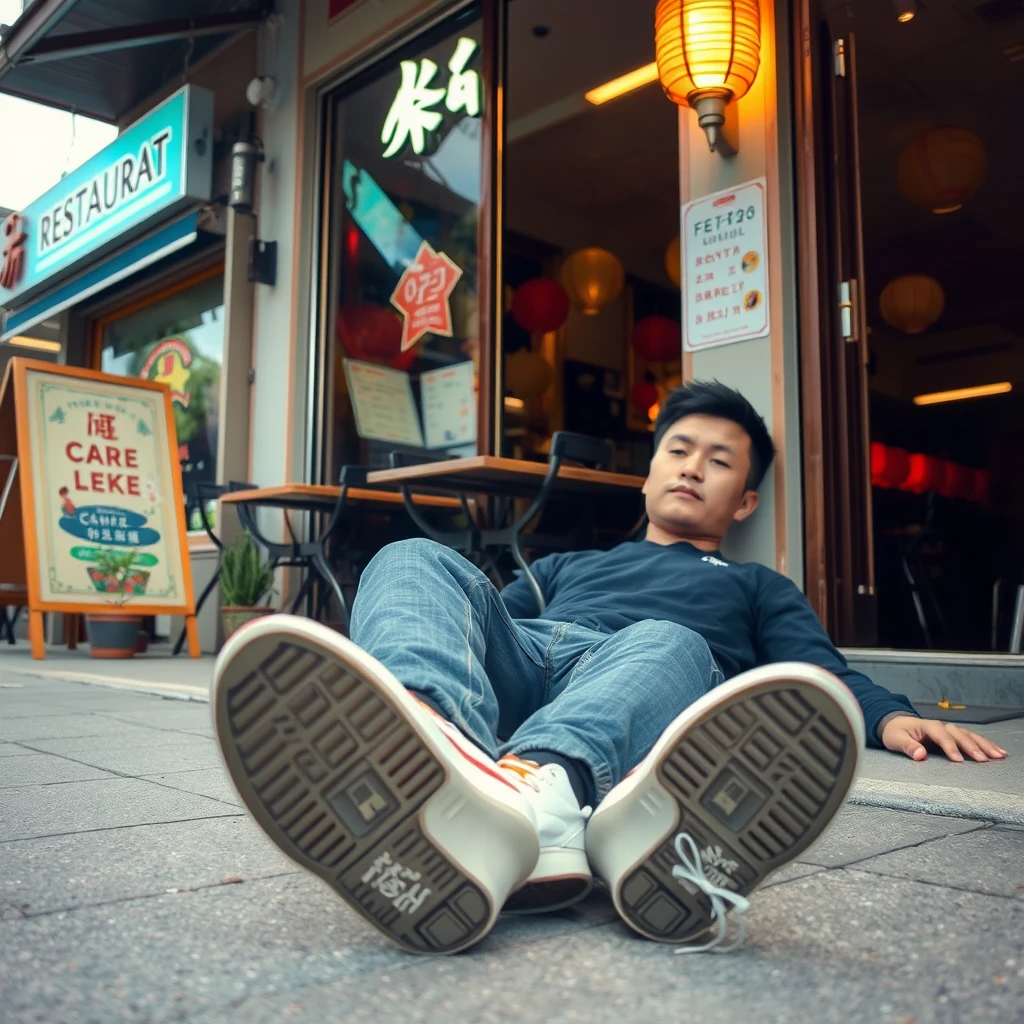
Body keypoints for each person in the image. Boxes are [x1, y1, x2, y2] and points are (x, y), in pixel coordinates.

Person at [211, 381, 1007, 957]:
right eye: (679, 449)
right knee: (412, 553)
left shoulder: (755, 585)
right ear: (652, 470)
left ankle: (529, 794)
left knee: (671, 640)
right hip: (534, 657)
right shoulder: (569, 564)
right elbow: (492, 626)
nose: (693, 466)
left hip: (644, 686)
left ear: (746, 502)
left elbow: (819, 672)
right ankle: (430, 739)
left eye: (719, 460)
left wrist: (891, 715)